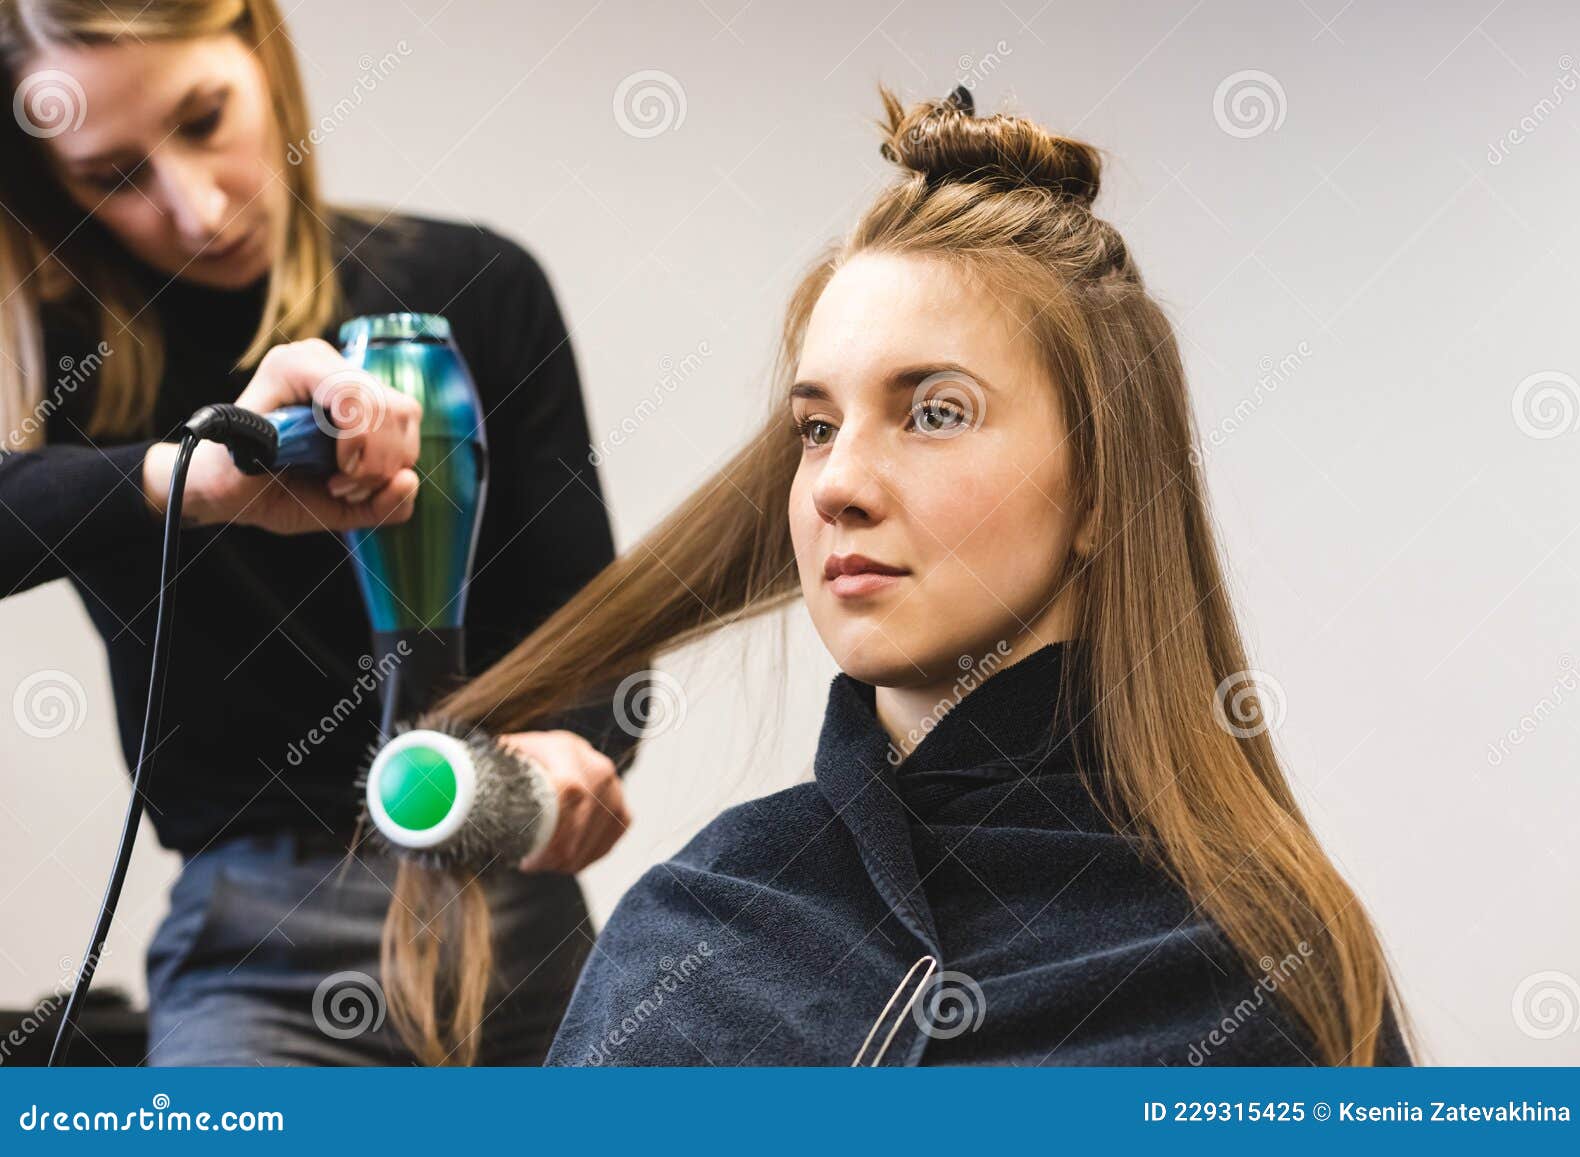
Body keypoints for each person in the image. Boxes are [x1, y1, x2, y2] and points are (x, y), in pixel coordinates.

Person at [400, 86, 1415, 1066]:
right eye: (815, 427)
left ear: (1102, 487)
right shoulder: (691, 934)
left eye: (934, 410)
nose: (836, 483)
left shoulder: (1270, 973)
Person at [0, 0, 634, 1066]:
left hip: (512, 907)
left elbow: (594, 636)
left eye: (206, 118)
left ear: (264, 51)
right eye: (112, 175)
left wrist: (571, 748)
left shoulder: (477, 285)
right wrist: (178, 478)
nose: (195, 208)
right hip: (254, 953)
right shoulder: (63, 361)